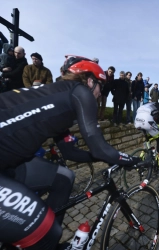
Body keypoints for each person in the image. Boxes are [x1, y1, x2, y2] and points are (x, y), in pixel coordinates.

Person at [0, 56, 140, 250]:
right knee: (48, 233)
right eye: (100, 86)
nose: (100, 94)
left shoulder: (60, 98)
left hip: (9, 161)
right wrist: (130, 159)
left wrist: (101, 157)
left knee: (64, 178)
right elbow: (99, 147)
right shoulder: (81, 92)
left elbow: (69, 153)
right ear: (90, 82)